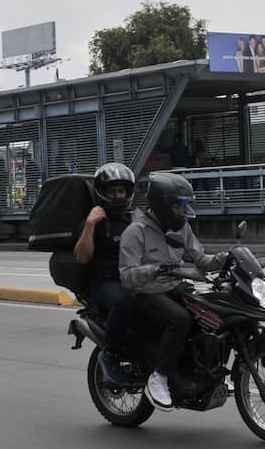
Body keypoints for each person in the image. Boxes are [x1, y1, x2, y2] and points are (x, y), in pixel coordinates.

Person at [119, 173, 226, 411]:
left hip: (173, 287)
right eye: (178, 206)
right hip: (144, 294)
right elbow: (127, 276)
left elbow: (201, 259)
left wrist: (225, 258)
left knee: (211, 311)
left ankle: (200, 370)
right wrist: (155, 269)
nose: (183, 211)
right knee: (179, 318)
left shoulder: (182, 227)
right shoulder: (136, 232)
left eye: (186, 205)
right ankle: (159, 377)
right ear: (162, 204)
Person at [74, 163, 137, 385]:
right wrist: (90, 225)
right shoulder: (94, 221)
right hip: (105, 284)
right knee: (123, 300)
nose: (118, 196)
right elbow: (82, 257)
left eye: (121, 191)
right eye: (112, 191)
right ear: (102, 193)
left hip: (134, 279)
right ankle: (110, 356)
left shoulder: (133, 221)